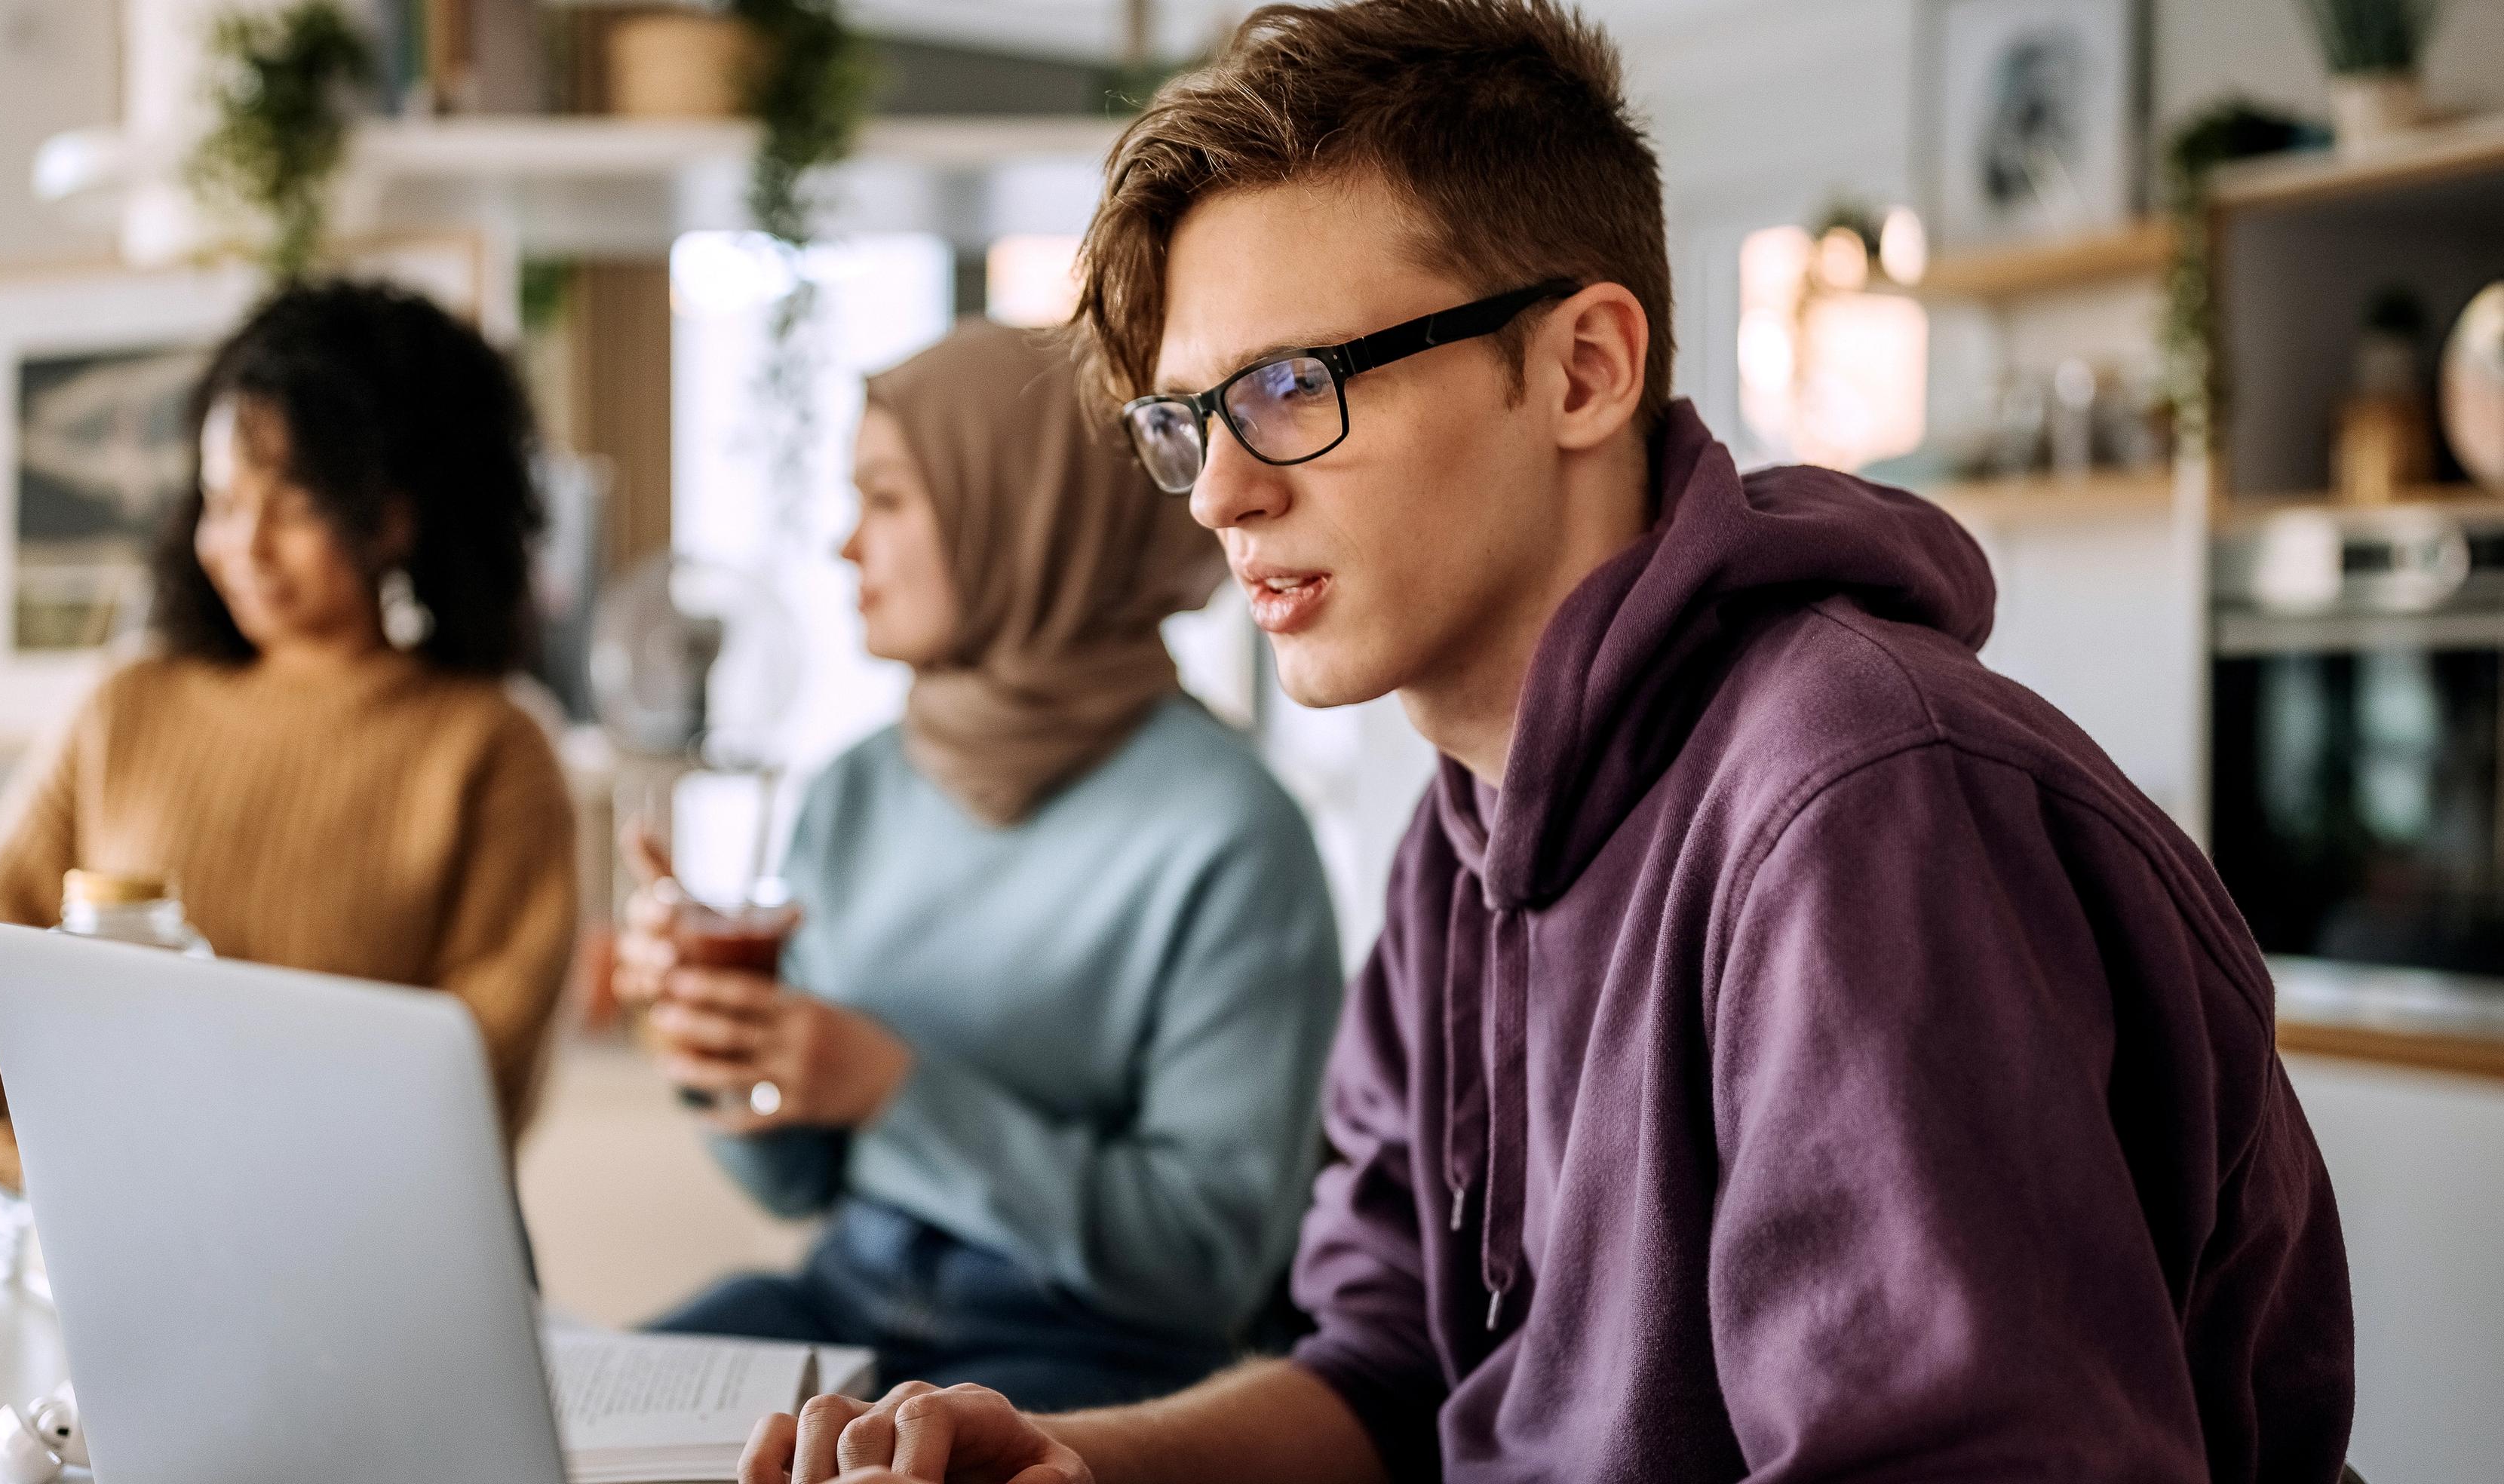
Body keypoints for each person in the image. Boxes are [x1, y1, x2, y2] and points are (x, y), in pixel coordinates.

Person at [741, 3, 2355, 1482]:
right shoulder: (1471, 821)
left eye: (1294, 387)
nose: (1224, 492)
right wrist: (1079, 1464)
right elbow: (1389, 1374)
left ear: (1582, 369)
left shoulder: (1856, 804)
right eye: (1190, 421)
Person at [618, 319, 1346, 1413]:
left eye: (888, 499)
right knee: (524, 1426)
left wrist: (891, 1090)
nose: (846, 545)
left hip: (1096, 1363)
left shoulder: (1232, 834)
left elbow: (1208, 1264)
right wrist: (727, 1039)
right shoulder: (855, 788)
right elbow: (794, 1184)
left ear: (1021, 514)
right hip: (842, 1303)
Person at [0, 281, 577, 1138]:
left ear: (396, 518)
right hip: (94, 1240)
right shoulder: (125, 710)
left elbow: (473, 1059)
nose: (244, 545)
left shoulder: (493, 747)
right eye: (222, 500)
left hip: (372, 1259)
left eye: (295, 506)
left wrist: (171, 1099)